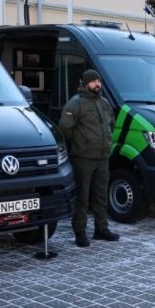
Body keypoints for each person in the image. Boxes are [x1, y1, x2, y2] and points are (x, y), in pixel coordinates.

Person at [59, 69, 120, 247]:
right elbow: (65, 128)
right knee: (82, 197)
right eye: (93, 81)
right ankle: (80, 232)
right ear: (85, 83)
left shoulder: (104, 103)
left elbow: (111, 125)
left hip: (102, 158)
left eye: (98, 81)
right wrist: (78, 145)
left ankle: (101, 229)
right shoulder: (75, 103)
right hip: (83, 158)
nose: (97, 84)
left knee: (101, 196)